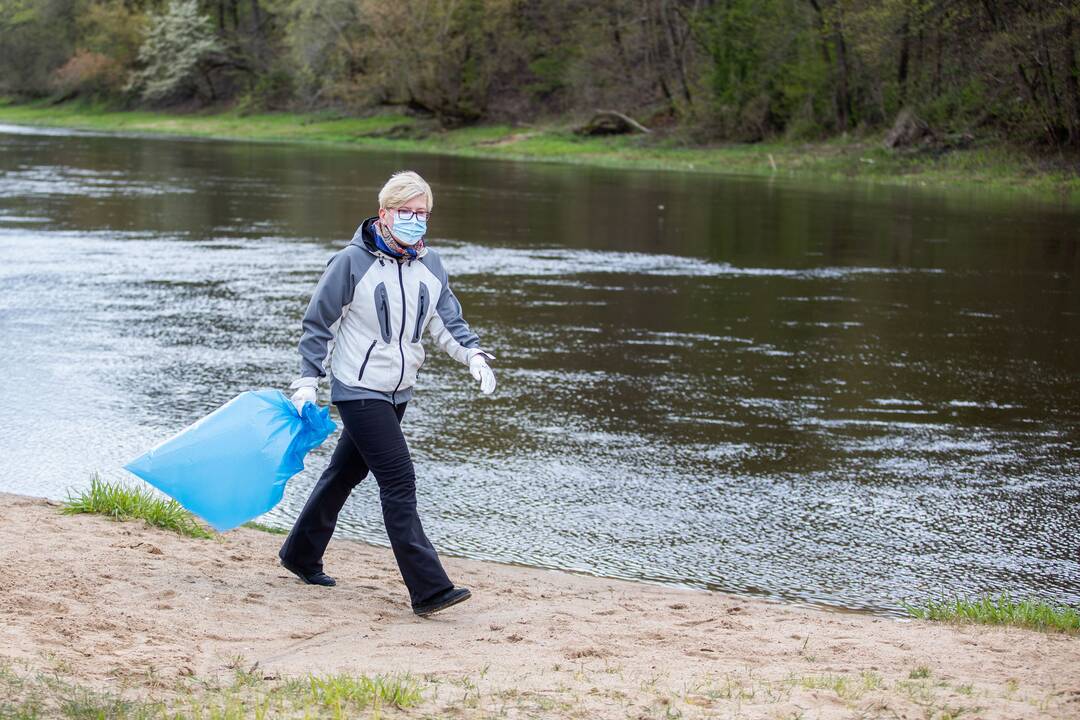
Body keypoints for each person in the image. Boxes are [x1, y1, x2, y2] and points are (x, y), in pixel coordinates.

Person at [277, 170, 496, 617]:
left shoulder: (430, 264)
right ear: (384, 213)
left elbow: (445, 321)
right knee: (399, 481)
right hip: (358, 389)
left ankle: (299, 553)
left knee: (344, 473)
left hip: (399, 391)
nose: (415, 221)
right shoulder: (350, 263)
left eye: (422, 213)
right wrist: (306, 380)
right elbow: (319, 323)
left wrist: (473, 354)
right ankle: (429, 588)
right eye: (406, 212)